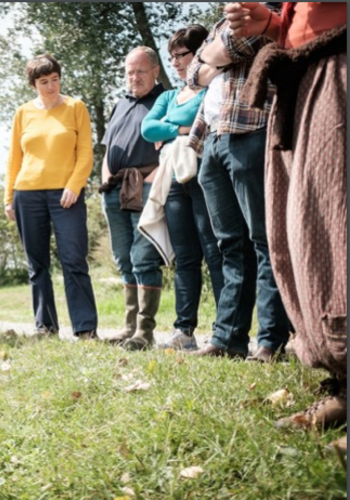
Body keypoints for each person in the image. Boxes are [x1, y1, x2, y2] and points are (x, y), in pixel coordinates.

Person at [225, 1, 347, 451]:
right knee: (301, 236)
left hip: (339, 59)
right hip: (304, 70)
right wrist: (276, 26)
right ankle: (342, 383)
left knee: (338, 226)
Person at [185, 9, 290, 361]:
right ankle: (228, 338)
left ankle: (270, 341)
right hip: (213, 139)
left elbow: (229, 45)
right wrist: (214, 58)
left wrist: (212, 57)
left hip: (253, 131)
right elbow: (191, 74)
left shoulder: (262, 13)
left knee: (264, 240)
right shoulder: (220, 22)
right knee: (230, 245)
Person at [139, 25, 224, 351]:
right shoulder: (168, 96)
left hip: (204, 176)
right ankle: (184, 331)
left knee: (214, 251)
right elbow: (148, 128)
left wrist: (170, 130)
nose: (175, 61)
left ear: (200, 53)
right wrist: (183, 127)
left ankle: (223, 329)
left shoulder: (210, 89)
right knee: (186, 258)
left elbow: (207, 118)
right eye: (172, 56)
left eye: (182, 55)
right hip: (173, 180)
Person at [3, 54, 98, 339]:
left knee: (74, 260)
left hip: (66, 195)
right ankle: (45, 328)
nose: (51, 86)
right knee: (37, 265)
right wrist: (9, 197)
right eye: (44, 82)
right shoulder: (23, 113)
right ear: (33, 84)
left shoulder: (75, 107)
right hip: (27, 195)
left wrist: (74, 184)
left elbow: (85, 154)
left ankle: (85, 329)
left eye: (54, 79)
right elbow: (14, 158)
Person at [99, 46, 165, 351]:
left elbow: (173, 145)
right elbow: (108, 144)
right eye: (129, 72)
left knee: (143, 257)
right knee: (123, 258)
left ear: (155, 71)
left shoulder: (165, 100)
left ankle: (144, 332)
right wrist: (103, 175)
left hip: (146, 184)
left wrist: (153, 179)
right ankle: (128, 328)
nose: (134, 77)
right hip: (113, 187)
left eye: (140, 71)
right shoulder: (121, 103)